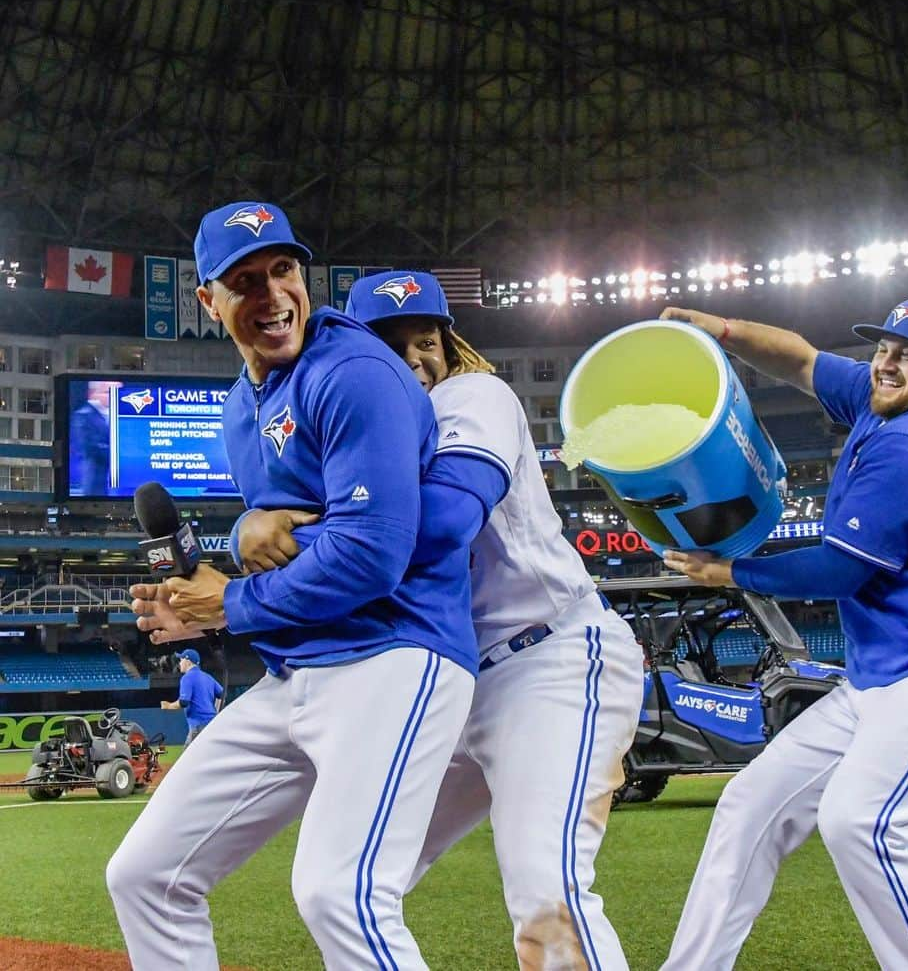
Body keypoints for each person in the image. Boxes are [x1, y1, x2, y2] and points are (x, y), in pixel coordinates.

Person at [235, 270, 644, 969]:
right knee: (351, 881)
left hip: (549, 663)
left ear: (450, 346)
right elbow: (290, 499)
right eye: (392, 345)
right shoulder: (366, 420)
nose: (414, 359)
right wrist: (251, 519)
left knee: (548, 885)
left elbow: (443, 523)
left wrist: (290, 535)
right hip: (451, 682)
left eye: (426, 340)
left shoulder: (472, 395)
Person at [106, 203, 479, 971]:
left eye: (283, 270)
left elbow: (371, 554)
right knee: (144, 874)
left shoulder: (353, 371)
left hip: (393, 657)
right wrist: (205, 597)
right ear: (208, 302)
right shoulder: (241, 410)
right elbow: (286, 552)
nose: (272, 294)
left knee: (338, 891)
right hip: (295, 673)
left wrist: (231, 602)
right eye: (245, 281)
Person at [657, 297, 908, 971]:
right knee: (750, 805)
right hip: (883, 677)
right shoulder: (890, 395)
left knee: (863, 823)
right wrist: (723, 329)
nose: (886, 364)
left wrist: (730, 572)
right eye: (884, 348)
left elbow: (840, 570)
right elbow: (800, 359)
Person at [159, 648, 223, 744]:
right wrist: (216, 711)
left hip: (198, 726)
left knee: (186, 758)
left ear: (188, 662)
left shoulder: (187, 678)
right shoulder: (208, 677)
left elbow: (184, 702)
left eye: (181, 660)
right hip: (212, 724)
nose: (180, 663)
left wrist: (168, 706)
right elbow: (222, 694)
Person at [69, 380, 115, 495]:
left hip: (111, 484)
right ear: (94, 393)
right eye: (108, 392)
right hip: (95, 482)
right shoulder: (83, 416)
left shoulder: (113, 415)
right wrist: (116, 452)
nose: (113, 396)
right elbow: (87, 449)